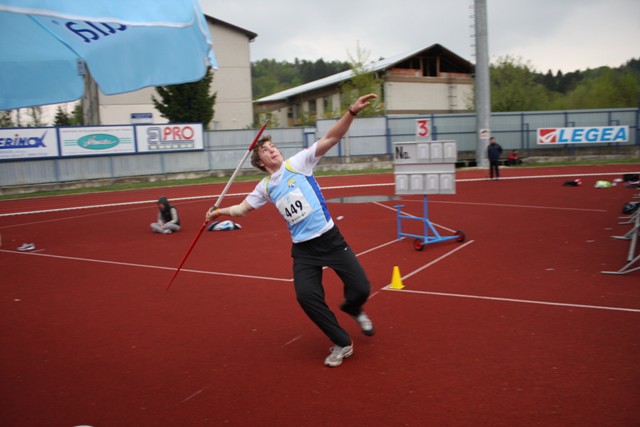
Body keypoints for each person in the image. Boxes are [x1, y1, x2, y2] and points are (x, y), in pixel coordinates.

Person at [206, 94, 378, 368]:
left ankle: (353, 307)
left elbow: (331, 138)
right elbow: (241, 209)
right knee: (306, 297)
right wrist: (218, 212)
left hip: (330, 239)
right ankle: (342, 342)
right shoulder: (265, 187)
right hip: (304, 250)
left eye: (274, 146)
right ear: (260, 162)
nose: (273, 150)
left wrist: (351, 112)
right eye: (266, 150)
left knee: (361, 288)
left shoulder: (298, 163)